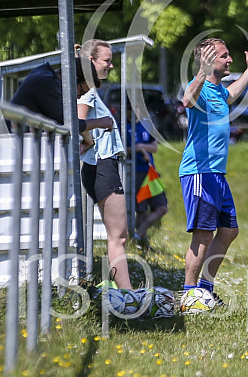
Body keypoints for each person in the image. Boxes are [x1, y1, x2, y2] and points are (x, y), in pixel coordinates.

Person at [179, 37, 248, 307]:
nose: (230, 60)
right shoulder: (201, 87)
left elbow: (231, 95)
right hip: (199, 172)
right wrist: (201, 74)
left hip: (217, 173)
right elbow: (187, 99)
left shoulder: (218, 90)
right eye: (224, 56)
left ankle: (205, 289)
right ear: (207, 60)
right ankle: (189, 294)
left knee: (229, 230)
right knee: (203, 234)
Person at [77, 39, 133, 290]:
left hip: (100, 164)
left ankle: (124, 292)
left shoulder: (88, 89)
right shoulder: (87, 90)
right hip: (102, 166)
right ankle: (127, 295)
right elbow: (78, 120)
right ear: (91, 61)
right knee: (118, 236)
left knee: (119, 235)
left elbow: (82, 128)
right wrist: (100, 124)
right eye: (106, 61)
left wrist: (88, 140)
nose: (110, 65)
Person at [10, 59, 114, 134]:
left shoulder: (46, 75)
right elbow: (67, 123)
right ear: (74, 79)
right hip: (11, 143)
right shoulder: (46, 82)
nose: (78, 98)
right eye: (81, 92)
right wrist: (100, 122)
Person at [126, 113, 168, 246]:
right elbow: (122, 150)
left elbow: (155, 147)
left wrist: (140, 147)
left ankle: (138, 235)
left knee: (162, 208)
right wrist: (137, 149)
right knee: (142, 212)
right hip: (135, 172)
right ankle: (141, 242)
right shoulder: (123, 126)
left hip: (150, 172)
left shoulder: (147, 125)